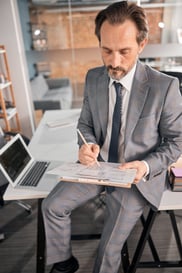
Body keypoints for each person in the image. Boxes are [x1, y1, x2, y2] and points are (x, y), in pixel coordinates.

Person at [42, 2, 182, 273]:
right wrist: (86, 145)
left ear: (142, 45)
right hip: (99, 166)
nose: (114, 62)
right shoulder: (94, 78)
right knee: (52, 206)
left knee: (107, 250)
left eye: (124, 51)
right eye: (107, 50)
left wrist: (145, 166)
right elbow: (85, 124)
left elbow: (176, 141)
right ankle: (63, 262)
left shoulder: (165, 87)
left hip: (137, 176)